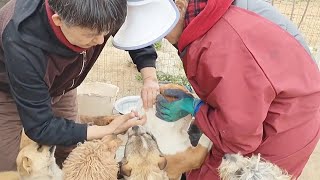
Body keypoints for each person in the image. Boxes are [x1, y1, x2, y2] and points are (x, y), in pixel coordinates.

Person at [0, 0, 179, 171]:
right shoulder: (22, 41)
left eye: (106, 31)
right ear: (59, 21)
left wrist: (149, 78)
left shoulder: (102, 10)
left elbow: (133, 32)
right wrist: (108, 129)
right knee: (8, 162)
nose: (101, 40)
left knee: (71, 145)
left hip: (64, 83)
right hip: (8, 89)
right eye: (91, 34)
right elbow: (40, 126)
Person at [156, 0, 320, 179]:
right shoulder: (207, 15)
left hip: (285, 123)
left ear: (179, 7)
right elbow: (238, 94)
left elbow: (239, 139)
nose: (159, 35)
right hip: (281, 97)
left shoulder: (221, 47)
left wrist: (196, 108)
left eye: (161, 27)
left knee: (218, 174)